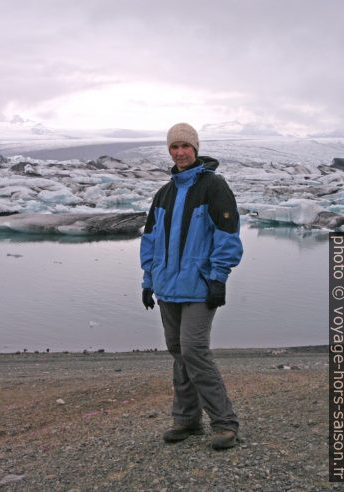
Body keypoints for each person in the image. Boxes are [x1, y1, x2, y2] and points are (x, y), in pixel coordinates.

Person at [140, 122, 243, 450]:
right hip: (167, 288)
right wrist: (147, 280)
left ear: (195, 149)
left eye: (185, 146)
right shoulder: (164, 193)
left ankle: (225, 423)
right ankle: (186, 419)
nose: (180, 152)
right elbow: (150, 240)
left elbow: (227, 237)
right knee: (179, 353)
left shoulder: (213, 187)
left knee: (194, 351)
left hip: (200, 287)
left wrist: (218, 278)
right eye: (174, 147)